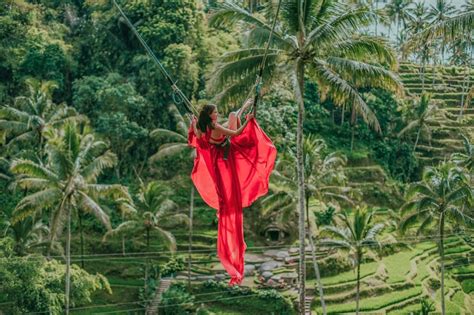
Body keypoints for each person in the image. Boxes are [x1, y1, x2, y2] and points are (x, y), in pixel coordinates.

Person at [188, 98, 277, 286]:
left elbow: (196, 134)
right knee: (250, 144)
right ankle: (245, 108)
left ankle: (245, 104)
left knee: (232, 115)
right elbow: (236, 132)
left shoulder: (202, 128)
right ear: (210, 115)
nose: (217, 113)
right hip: (227, 160)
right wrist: (249, 120)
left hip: (222, 157)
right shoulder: (215, 128)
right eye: (215, 112)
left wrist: (193, 122)